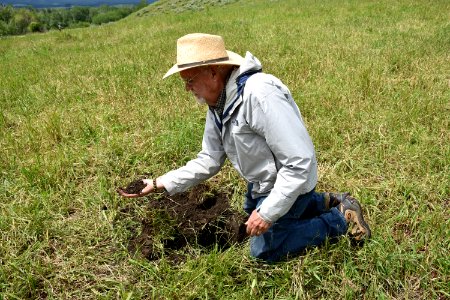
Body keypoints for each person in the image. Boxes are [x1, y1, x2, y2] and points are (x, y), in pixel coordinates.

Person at [118, 33, 371, 262]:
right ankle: (320, 203)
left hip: (290, 179)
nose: (187, 88)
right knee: (247, 221)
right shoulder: (218, 104)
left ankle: (339, 220)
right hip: (261, 183)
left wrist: (268, 213)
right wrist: (158, 182)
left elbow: (298, 162)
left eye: (190, 79)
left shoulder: (259, 95)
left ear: (214, 72)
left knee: (263, 251)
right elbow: (209, 159)